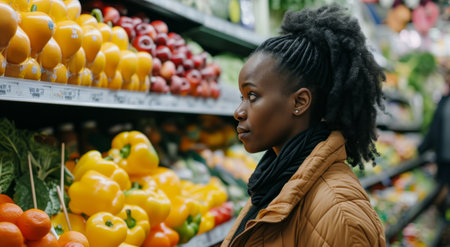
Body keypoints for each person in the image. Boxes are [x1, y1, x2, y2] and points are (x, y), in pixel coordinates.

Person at [222, 4, 386, 247]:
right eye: (241, 98)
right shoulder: (277, 179)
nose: (238, 112)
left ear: (299, 102)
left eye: (252, 96)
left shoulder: (340, 213)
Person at [418, 58, 450, 218]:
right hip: (443, 161)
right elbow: (435, 129)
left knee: (441, 197)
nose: (446, 77)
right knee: (441, 200)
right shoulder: (445, 99)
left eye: (448, 73)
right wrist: (419, 149)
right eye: (446, 73)